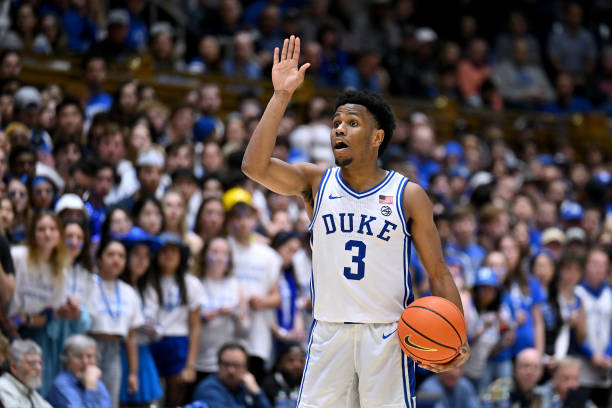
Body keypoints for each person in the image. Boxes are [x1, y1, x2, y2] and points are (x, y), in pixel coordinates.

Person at [241, 36, 469, 407]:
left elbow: (438, 272)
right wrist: (281, 95)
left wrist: (459, 336)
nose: (339, 129)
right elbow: (254, 167)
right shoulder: (316, 181)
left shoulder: (408, 194)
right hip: (329, 332)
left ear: (377, 137)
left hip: (387, 336)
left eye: (352, 123)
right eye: (336, 123)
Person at [145, 232, 204, 407]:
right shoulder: (147, 281)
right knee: (150, 400)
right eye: (164, 251)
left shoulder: (191, 283)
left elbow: (195, 326)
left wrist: (190, 365)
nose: (168, 255)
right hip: (151, 342)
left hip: (178, 344)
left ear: (181, 255)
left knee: (175, 399)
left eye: (173, 251)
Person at [87, 239, 142, 408]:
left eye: (121, 256)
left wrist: (133, 373)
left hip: (115, 349)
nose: (116, 260)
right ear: (99, 258)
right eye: (110, 255)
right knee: (87, 398)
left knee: (110, 401)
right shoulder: (88, 283)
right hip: (89, 346)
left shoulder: (129, 292)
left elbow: (132, 337)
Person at [190, 342, 271, 408]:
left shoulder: (247, 387)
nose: (231, 371)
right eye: (226, 364)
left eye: (236, 365)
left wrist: (257, 393)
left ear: (246, 368)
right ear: (218, 365)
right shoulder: (208, 389)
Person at [46, 334, 112, 408]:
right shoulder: (61, 384)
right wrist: (91, 386)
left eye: (90, 356)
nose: (85, 362)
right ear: (66, 360)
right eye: (79, 356)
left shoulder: (97, 382)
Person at [481, 348, 546, 408]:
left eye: (535, 367)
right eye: (526, 366)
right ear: (515, 368)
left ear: (541, 372)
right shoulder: (499, 388)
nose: (530, 372)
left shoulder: (538, 396)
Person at [0, 339, 52, 408]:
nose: (39, 368)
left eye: (40, 363)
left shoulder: (28, 389)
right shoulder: (3, 387)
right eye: (32, 363)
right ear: (14, 367)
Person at [261, 342, 306, 408]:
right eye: (291, 360)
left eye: (301, 361)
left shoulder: (307, 384)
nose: (297, 365)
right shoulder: (269, 383)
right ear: (280, 362)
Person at [416, 366, 480, 408]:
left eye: (458, 367)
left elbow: (474, 405)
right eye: (450, 367)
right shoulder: (428, 389)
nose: (454, 373)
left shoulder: (464, 384)